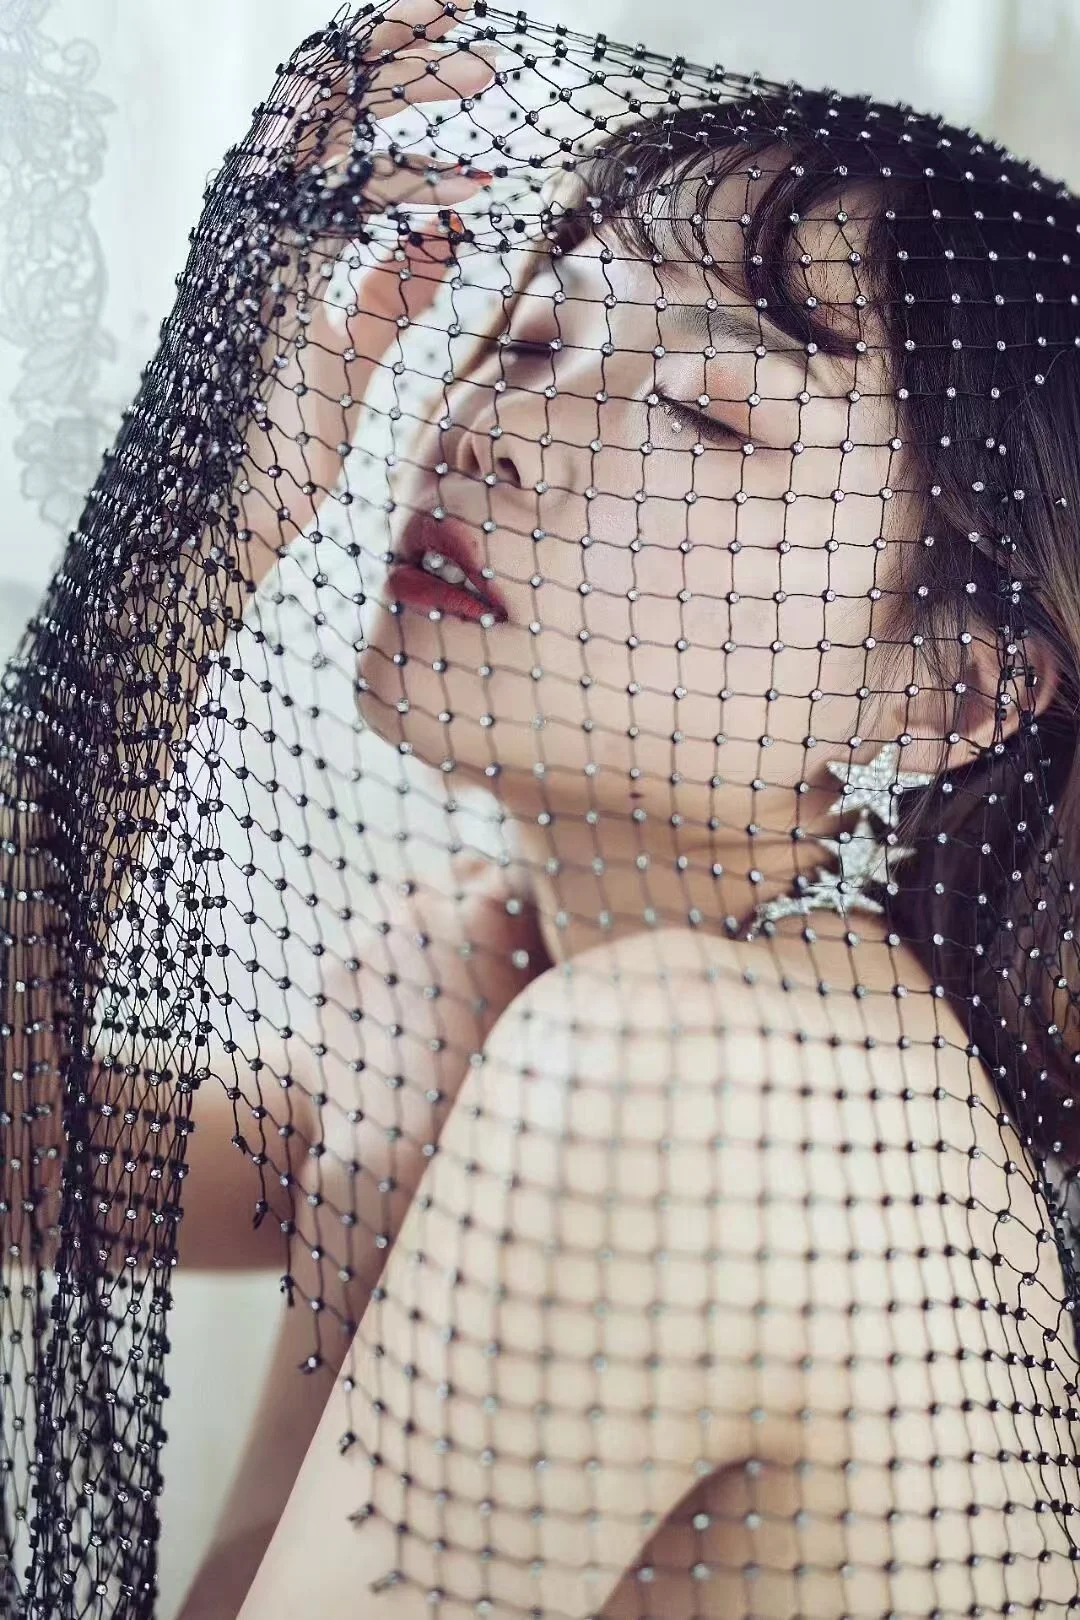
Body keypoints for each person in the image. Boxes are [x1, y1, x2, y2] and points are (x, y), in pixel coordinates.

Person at [7, 2, 1080, 1615]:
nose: (503, 433)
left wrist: (357, 1247)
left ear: (956, 697)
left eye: (707, 411)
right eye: (525, 340)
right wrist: (208, 529)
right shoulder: (510, 973)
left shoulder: (688, 1078)